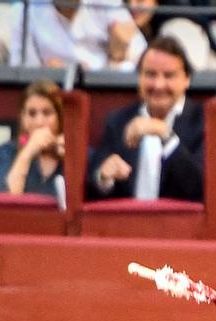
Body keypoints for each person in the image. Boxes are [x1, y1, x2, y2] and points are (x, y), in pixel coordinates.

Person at [87, 35, 204, 201]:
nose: (158, 85)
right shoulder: (118, 121)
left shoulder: (203, 122)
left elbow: (202, 189)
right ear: (139, 78)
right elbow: (90, 189)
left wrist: (165, 135)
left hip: (183, 226)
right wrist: (104, 178)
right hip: (127, 225)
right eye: (150, 74)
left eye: (169, 75)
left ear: (186, 79)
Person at [10, 0, 145, 70]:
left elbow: (141, 59)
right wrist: (46, 74)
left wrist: (115, 60)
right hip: (50, 94)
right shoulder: (25, 9)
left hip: (101, 88)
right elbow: (22, 69)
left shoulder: (107, 2)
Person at [0, 80, 64, 196]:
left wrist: (71, 160)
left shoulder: (77, 154)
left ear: (59, 117)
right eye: (32, 114)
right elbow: (5, 199)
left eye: (47, 113)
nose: (39, 122)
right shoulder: (7, 152)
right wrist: (28, 151)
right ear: (22, 118)